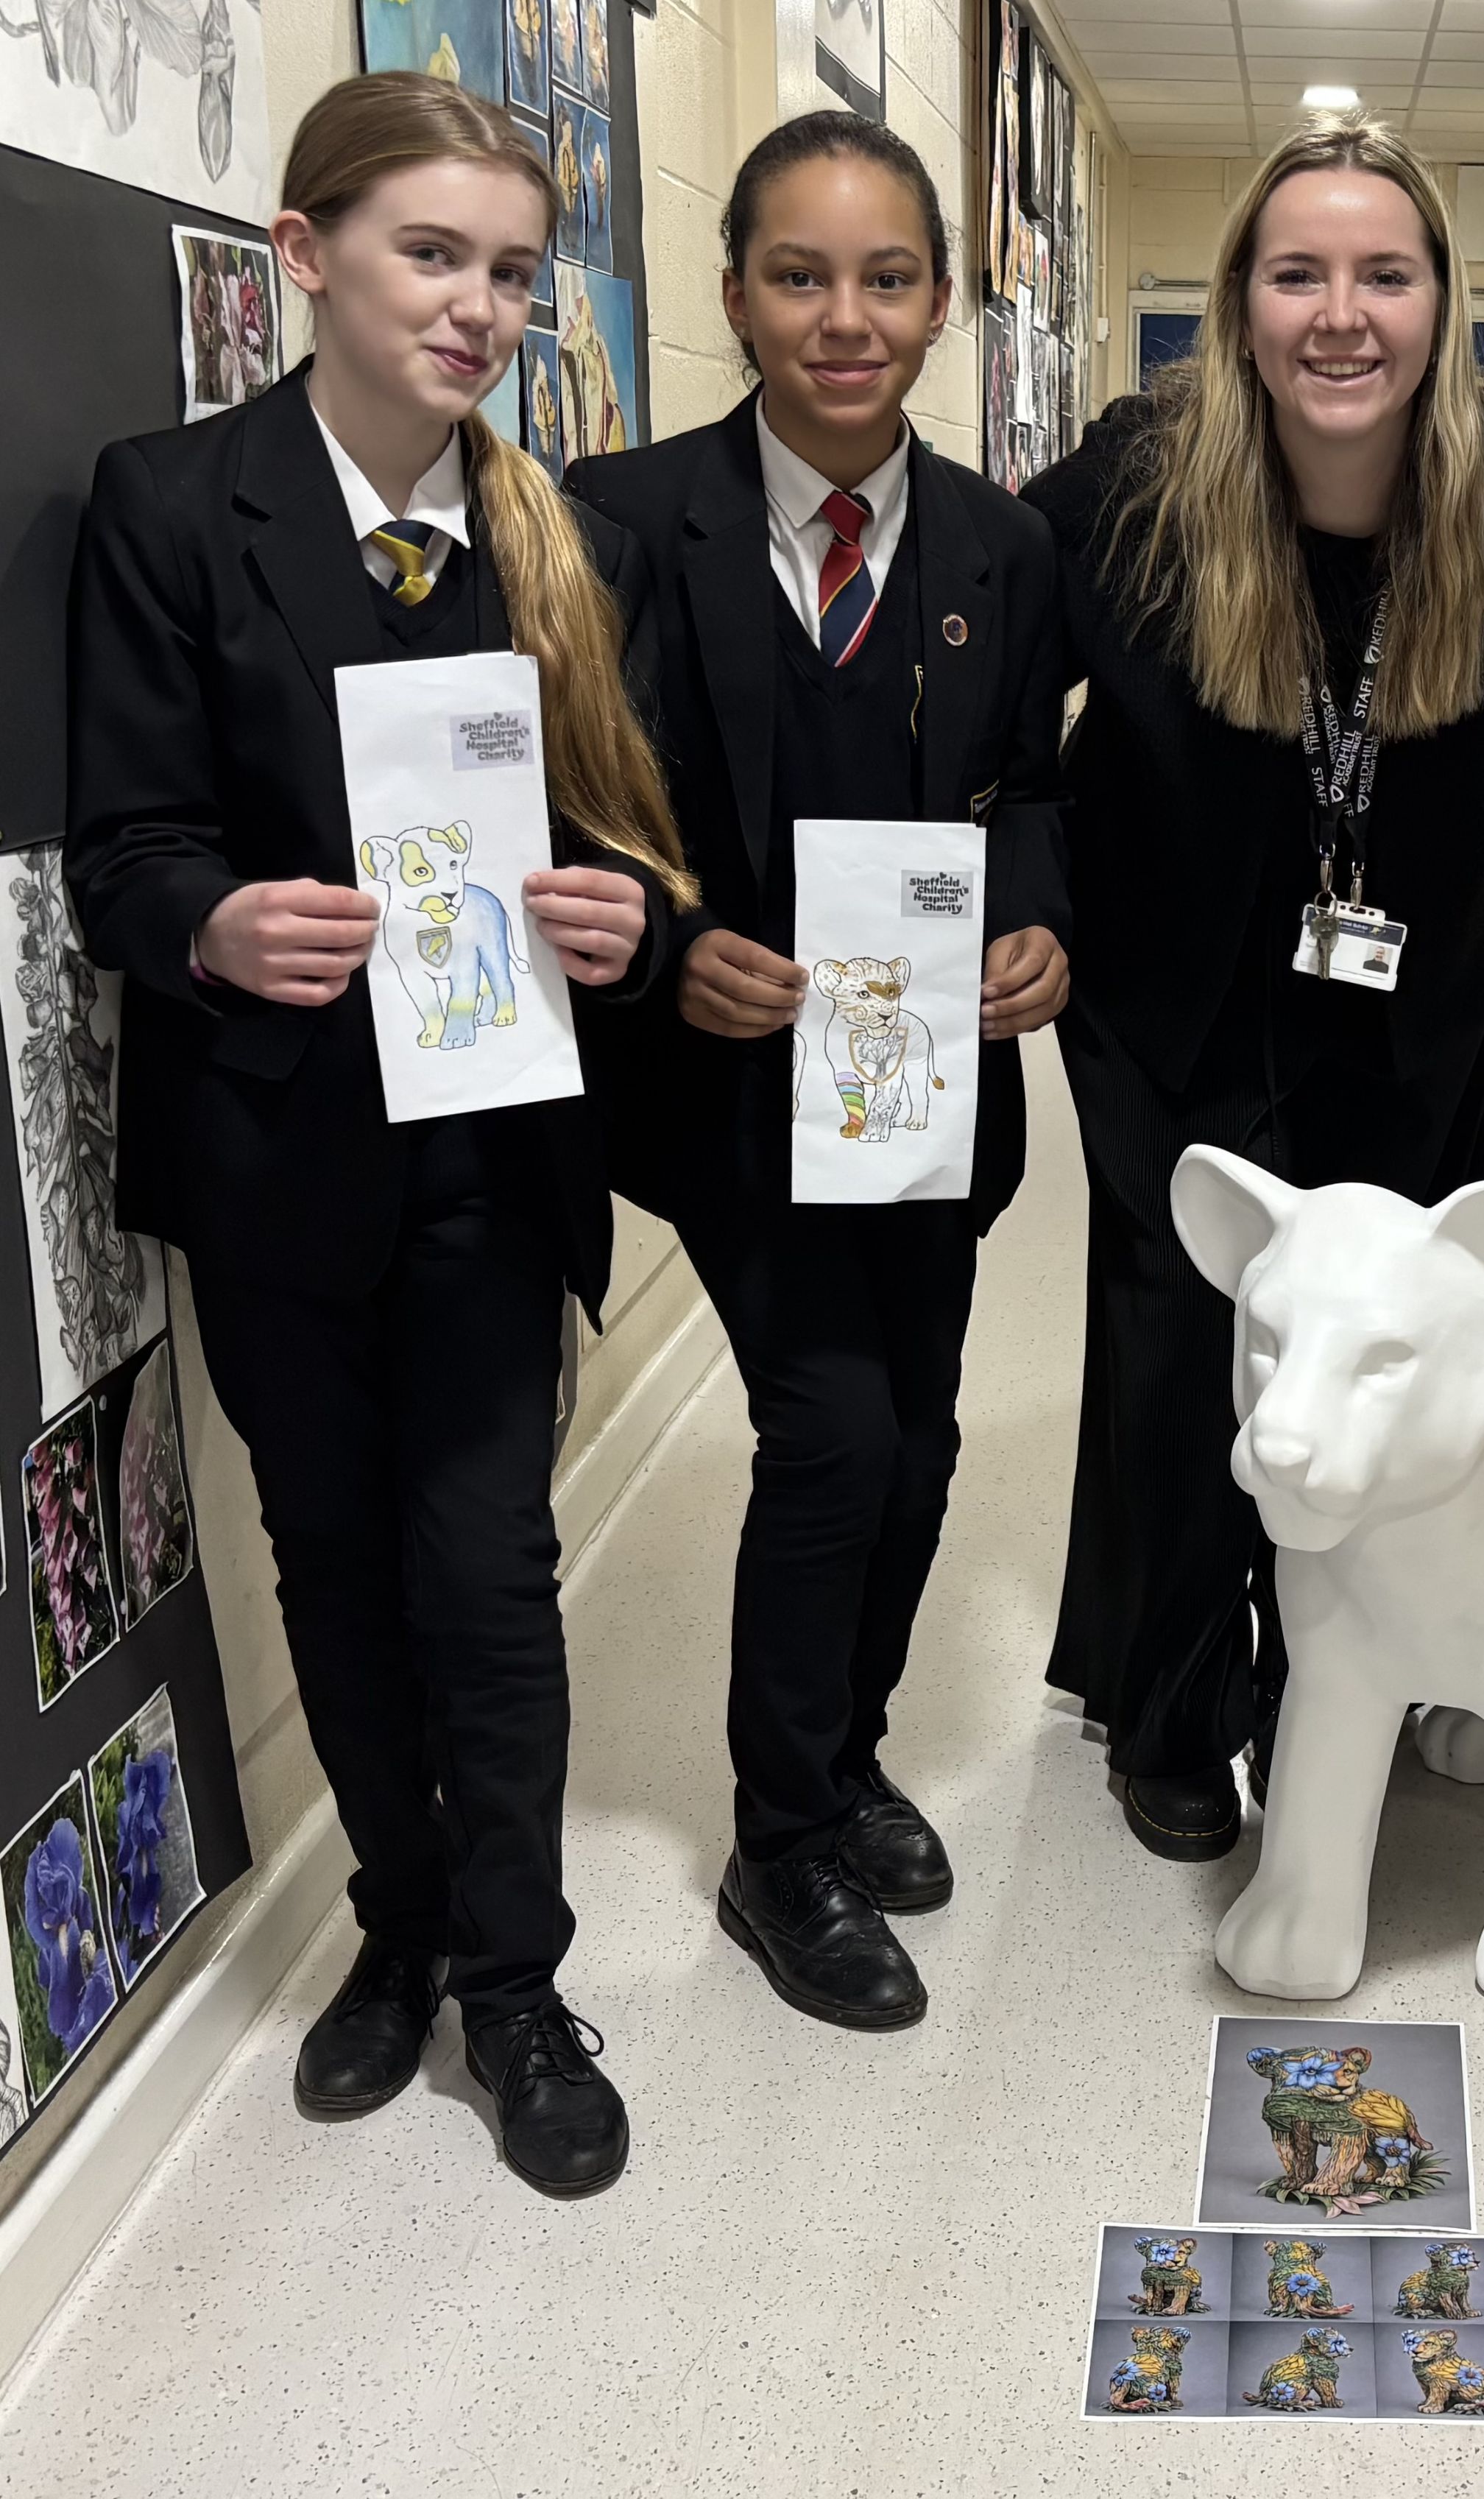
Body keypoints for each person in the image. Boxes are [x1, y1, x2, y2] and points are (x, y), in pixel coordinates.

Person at [66, 73, 697, 2194]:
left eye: (510, 271)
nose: (478, 307)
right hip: (276, 1159)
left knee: (487, 1574)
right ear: (302, 257)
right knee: (332, 1564)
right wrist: (216, 923)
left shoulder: (571, 545)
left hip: (489, 1159)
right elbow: (122, 851)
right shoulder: (174, 512)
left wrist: (628, 923)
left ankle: (515, 1981)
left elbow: (643, 851)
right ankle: (400, 1923)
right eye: (433, 253)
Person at [1022, 110, 1484, 1860]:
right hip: (1167, 990)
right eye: (1298, 274)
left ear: (1441, 300)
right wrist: (1018, 897)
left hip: (1409, 993)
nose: (1341, 314)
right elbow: (988, 703)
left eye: (1385, 274)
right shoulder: (1136, 483)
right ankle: (1173, 1698)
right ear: (1242, 301)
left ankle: (1344, 1665)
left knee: (1379, 1342)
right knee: (1179, 1332)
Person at [567, 113, 1070, 2031]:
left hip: (921, 1091)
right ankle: (779, 1843)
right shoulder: (618, 520)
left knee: (921, 1436)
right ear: (735, 295)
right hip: (727, 1092)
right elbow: (572, 804)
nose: (843, 318)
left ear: (941, 303)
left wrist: (1039, 917)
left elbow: (1033, 785)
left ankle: (846, 1762)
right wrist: (667, 944)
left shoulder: (1003, 548)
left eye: (885, 278)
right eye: (799, 275)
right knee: (839, 1430)